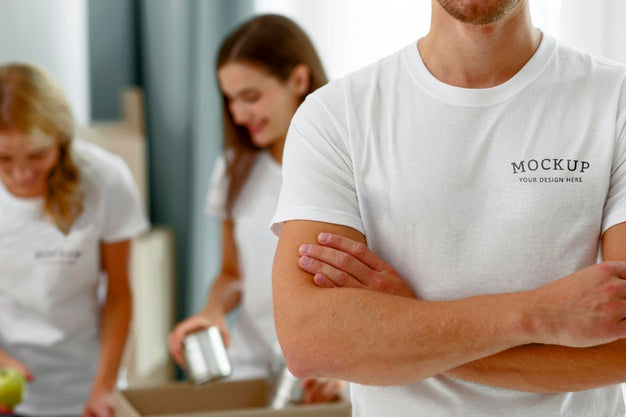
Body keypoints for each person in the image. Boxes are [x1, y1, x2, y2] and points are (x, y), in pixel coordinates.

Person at [271, 0, 626, 416]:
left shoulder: (614, 99)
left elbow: (619, 349)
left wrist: (406, 326)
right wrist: (539, 314)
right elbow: (311, 341)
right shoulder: (335, 116)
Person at [167, 14, 344, 403]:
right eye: (230, 100)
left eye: (250, 97)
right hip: (251, 363)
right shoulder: (234, 171)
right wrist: (212, 310)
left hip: (323, 372)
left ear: (299, 80)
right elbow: (233, 273)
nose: (237, 115)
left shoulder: (346, 169)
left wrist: (349, 373)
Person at [0, 63, 149, 416]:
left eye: (37, 155)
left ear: (60, 136)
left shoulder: (105, 180)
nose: (21, 173)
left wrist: (105, 387)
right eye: (3, 158)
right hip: (10, 381)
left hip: (87, 379)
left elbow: (118, 294)